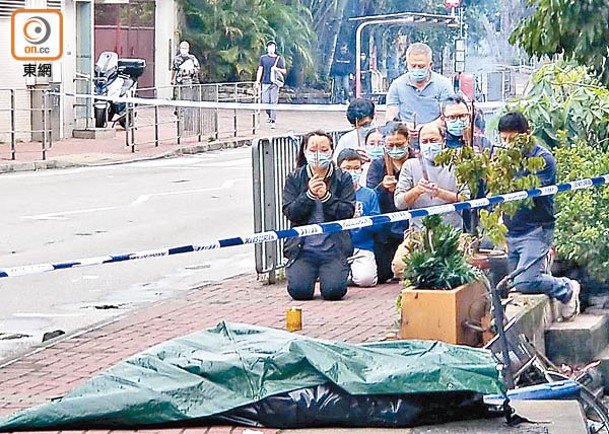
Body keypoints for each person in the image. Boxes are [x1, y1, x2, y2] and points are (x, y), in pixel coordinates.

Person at [498, 112, 580, 321]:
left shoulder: (542, 159)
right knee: (513, 283)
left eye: (512, 139)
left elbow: (531, 193)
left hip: (536, 230)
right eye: (503, 139)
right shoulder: (501, 159)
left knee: (525, 282)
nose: (508, 144)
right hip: (511, 231)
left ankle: (566, 289)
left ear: (527, 134)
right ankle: (544, 273)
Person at [282, 131, 355, 301]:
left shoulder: (343, 178)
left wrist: (326, 197)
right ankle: (303, 272)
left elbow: (347, 212)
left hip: (333, 248)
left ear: (331, 151)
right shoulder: (295, 177)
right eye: (313, 149)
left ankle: (338, 270)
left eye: (323, 149)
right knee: (299, 292)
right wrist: (308, 196)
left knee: (333, 292)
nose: (317, 154)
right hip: (303, 249)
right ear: (304, 151)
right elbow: (290, 211)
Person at [392, 122, 468, 277]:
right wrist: (417, 190)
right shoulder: (410, 165)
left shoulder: (457, 164)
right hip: (419, 235)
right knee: (399, 265)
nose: (429, 145)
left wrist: (439, 193)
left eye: (433, 141)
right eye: (424, 142)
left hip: (451, 234)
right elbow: (399, 202)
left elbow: (466, 199)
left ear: (443, 141)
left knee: (456, 269)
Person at [366, 122, 412, 282]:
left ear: (408, 140)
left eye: (399, 144)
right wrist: (382, 187)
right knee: (381, 275)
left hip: (410, 228)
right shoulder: (377, 165)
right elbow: (369, 196)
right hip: (385, 232)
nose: (395, 149)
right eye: (390, 145)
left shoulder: (416, 162)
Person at [337, 149, 380, 287]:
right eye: (347, 168)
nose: (352, 172)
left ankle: (352, 275)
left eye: (356, 168)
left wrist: (363, 220)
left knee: (367, 280)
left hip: (362, 246)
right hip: (336, 247)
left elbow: (378, 224)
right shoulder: (332, 194)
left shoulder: (369, 194)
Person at [385, 43, 454, 125]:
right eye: (413, 66)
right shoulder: (397, 85)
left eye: (421, 66)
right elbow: (391, 117)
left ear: (430, 65)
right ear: (407, 64)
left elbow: (448, 116)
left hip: (435, 134)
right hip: (405, 134)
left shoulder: (443, 84)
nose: (417, 69)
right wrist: (404, 127)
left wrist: (425, 129)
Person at [255, 40, 287, 129]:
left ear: (275, 48)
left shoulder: (278, 59)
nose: (271, 48)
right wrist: (258, 81)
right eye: (269, 47)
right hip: (265, 82)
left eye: (272, 47)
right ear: (267, 48)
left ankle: (273, 121)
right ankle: (269, 115)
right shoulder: (263, 58)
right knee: (265, 101)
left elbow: (284, 71)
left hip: (275, 83)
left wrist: (277, 69)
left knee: (273, 102)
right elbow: (260, 69)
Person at [333, 98, 376, 163]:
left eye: (366, 124)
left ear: (374, 115)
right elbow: (336, 164)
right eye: (358, 126)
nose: (363, 128)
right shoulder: (346, 140)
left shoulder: (385, 137)